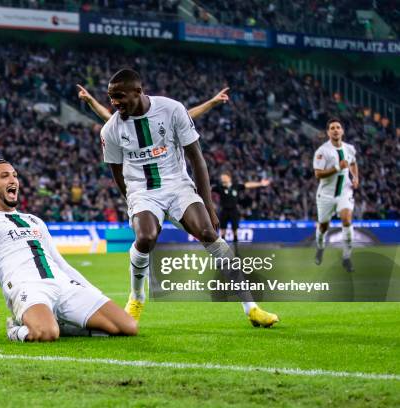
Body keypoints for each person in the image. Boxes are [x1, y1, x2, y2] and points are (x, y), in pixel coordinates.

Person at [100, 68, 278, 327]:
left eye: (119, 96)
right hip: (143, 192)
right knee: (146, 237)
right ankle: (137, 298)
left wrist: (209, 206)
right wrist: (131, 202)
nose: (114, 102)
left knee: (208, 233)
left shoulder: (172, 110)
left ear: (138, 92)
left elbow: (197, 158)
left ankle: (252, 308)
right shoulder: (110, 130)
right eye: (110, 97)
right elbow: (116, 172)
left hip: (178, 186)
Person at [0, 158, 137, 342]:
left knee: (127, 326)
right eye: (4, 176)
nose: (13, 180)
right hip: (28, 288)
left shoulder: (34, 220)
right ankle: (15, 329)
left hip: (63, 284)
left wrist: (92, 290)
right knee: (46, 333)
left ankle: (58, 325)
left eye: (15, 176)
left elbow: (61, 264)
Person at [313, 118, 359, 272]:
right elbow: (318, 174)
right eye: (332, 128)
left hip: (344, 192)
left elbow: (352, 163)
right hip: (326, 195)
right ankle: (320, 247)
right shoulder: (322, 151)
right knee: (323, 227)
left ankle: (347, 257)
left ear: (342, 131)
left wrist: (355, 177)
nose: (335, 130)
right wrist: (337, 167)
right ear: (328, 132)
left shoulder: (350, 148)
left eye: (338, 127)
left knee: (347, 219)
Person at [77, 84, 230, 122]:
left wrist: (212, 102)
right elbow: (107, 117)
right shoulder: (129, 121)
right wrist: (90, 100)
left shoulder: (159, 119)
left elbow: (187, 115)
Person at [211, 172, 271, 255]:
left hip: (233, 211)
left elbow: (248, 185)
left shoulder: (236, 186)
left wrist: (260, 184)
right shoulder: (219, 187)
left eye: (224, 177)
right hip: (224, 211)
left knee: (235, 231)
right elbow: (208, 188)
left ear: (229, 178)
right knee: (222, 232)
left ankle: (236, 252)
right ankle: (222, 252)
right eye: (222, 178)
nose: (222, 179)